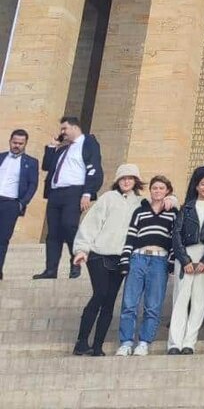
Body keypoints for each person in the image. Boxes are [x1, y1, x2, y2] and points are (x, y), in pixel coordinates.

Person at [71, 164, 143, 356]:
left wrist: (172, 198)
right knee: (100, 294)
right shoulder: (108, 198)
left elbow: (160, 203)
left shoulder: (140, 203)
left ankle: (97, 346)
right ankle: (81, 341)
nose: (126, 181)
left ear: (136, 181)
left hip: (121, 257)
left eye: (130, 178)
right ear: (117, 181)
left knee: (110, 301)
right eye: (123, 178)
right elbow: (91, 223)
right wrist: (81, 249)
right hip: (99, 254)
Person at [115, 175, 178, 357]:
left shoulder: (172, 212)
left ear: (167, 191)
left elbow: (175, 238)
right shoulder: (140, 211)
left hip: (159, 260)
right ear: (150, 190)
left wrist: (171, 262)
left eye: (161, 188)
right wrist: (125, 260)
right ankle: (126, 342)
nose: (157, 191)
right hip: (138, 257)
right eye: (155, 188)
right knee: (129, 303)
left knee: (153, 304)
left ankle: (144, 342)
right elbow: (131, 236)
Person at [36, 116, 103, 280]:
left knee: (69, 225)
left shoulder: (88, 142)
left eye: (64, 129)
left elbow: (94, 167)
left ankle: (76, 261)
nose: (62, 132)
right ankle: (50, 269)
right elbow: (46, 166)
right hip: (55, 193)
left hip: (74, 192)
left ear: (75, 128)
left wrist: (87, 192)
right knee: (53, 233)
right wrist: (52, 146)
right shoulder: (64, 148)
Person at [167, 172, 204, 354]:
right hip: (186, 254)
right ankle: (175, 342)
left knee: (199, 300)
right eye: (203, 184)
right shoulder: (186, 208)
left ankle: (189, 342)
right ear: (197, 187)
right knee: (181, 299)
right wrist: (185, 260)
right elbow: (176, 234)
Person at [0, 129, 38, 279]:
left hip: (11, 204)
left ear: (25, 144)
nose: (17, 145)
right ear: (10, 141)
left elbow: (32, 185)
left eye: (20, 143)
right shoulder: (1, 157)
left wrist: (21, 204)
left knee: (2, 239)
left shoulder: (31, 162)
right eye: (15, 142)